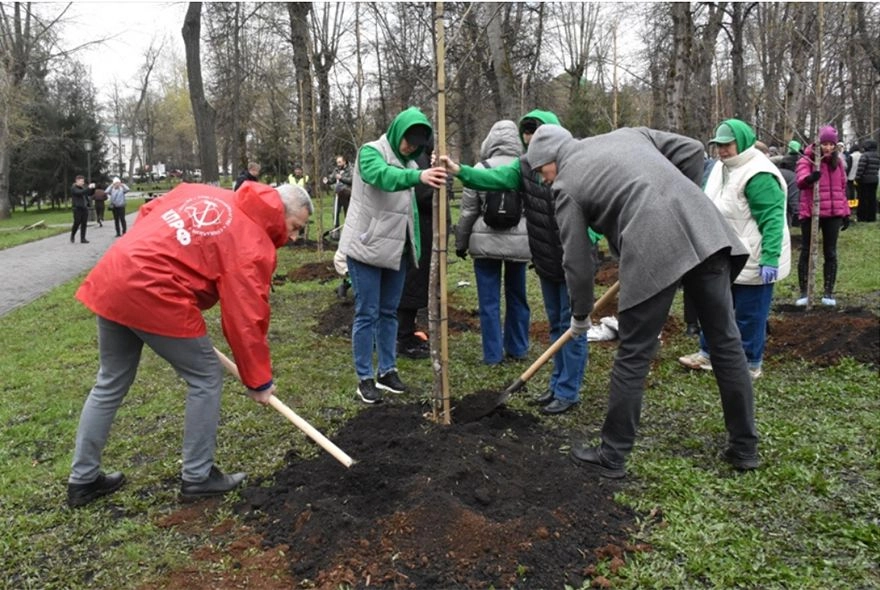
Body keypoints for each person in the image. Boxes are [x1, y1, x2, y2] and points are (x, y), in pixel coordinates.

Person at [526, 124, 758, 478]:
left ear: (551, 158)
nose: (544, 180)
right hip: (705, 229)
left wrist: (580, 314)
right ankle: (745, 449)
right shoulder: (628, 134)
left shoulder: (566, 185)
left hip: (654, 245)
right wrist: (676, 200)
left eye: (542, 171)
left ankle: (612, 455)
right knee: (726, 342)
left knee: (633, 353)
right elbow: (692, 149)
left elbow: (577, 261)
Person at [66, 181, 313, 508]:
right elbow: (245, 318)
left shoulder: (202, 192)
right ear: (279, 211)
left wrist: (148, 258)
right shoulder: (253, 243)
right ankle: (197, 476)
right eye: (295, 227)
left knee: (110, 380)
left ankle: (82, 479)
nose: (294, 237)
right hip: (156, 290)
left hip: (117, 271)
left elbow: (149, 212)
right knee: (206, 376)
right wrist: (258, 382)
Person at [441, 110, 592, 415]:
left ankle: (568, 391)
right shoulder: (524, 167)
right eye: (528, 138)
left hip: (572, 260)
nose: (533, 147)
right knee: (556, 324)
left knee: (572, 326)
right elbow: (492, 178)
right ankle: (556, 384)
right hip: (546, 259)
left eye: (537, 138)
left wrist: (591, 239)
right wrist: (460, 171)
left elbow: (598, 212)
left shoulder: (578, 167)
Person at [337, 107, 447, 404]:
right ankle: (364, 378)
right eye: (408, 141)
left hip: (396, 252)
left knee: (389, 313)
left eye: (416, 144)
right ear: (398, 132)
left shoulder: (410, 162)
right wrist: (419, 174)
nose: (410, 147)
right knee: (367, 313)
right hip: (366, 249)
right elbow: (382, 177)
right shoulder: (370, 152)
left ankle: (387, 371)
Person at [679, 120, 791, 380]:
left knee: (750, 314)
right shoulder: (720, 168)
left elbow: (772, 219)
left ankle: (750, 363)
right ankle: (708, 354)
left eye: (727, 145)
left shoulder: (759, 174)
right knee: (715, 307)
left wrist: (770, 257)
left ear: (741, 142)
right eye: (718, 146)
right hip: (722, 252)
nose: (721, 151)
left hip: (753, 255)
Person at [455, 120, 531, 367]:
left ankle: (492, 354)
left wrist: (461, 243)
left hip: (484, 243)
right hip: (519, 243)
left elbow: (468, 211)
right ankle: (518, 348)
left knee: (488, 301)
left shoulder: (481, 168)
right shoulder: (525, 167)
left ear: (490, 141)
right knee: (517, 296)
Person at [794, 125, 850, 307]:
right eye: (824, 144)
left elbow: (842, 187)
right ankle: (804, 291)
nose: (828, 148)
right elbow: (800, 181)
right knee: (807, 251)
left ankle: (828, 292)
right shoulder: (807, 160)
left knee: (830, 252)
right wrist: (810, 178)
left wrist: (845, 212)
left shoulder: (838, 163)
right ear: (818, 143)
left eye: (831, 144)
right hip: (811, 212)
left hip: (833, 213)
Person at [396, 146, 442, 360]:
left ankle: (407, 332)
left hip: (422, 231)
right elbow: (422, 194)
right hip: (418, 232)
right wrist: (441, 184)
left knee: (414, 284)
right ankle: (403, 337)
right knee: (411, 285)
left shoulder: (420, 156)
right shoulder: (418, 159)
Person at [324, 155, 354, 231]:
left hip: (347, 194)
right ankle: (336, 230)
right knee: (335, 213)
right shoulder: (337, 169)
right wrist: (327, 181)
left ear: (344, 161)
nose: (338, 164)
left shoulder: (351, 169)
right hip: (338, 194)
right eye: (337, 162)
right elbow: (332, 179)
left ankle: (348, 230)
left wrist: (341, 178)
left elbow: (352, 180)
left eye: (340, 162)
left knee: (347, 213)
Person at [854, 139, 879, 222]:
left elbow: (861, 168)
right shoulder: (877, 156)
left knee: (863, 199)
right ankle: (872, 217)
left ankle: (862, 217)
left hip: (864, 180)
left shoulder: (865, 156)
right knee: (872, 198)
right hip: (874, 179)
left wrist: (857, 178)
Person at [70, 175, 93, 244]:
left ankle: (83, 238)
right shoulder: (74, 188)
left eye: (83, 181)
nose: (83, 183)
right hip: (77, 208)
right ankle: (72, 235)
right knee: (77, 222)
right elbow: (80, 192)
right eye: (81, 181)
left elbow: (89, 193)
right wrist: (88, 188)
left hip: (84, 208)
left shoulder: (83, 188)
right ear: (77, 181)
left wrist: (92, 188)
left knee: (84, 223)